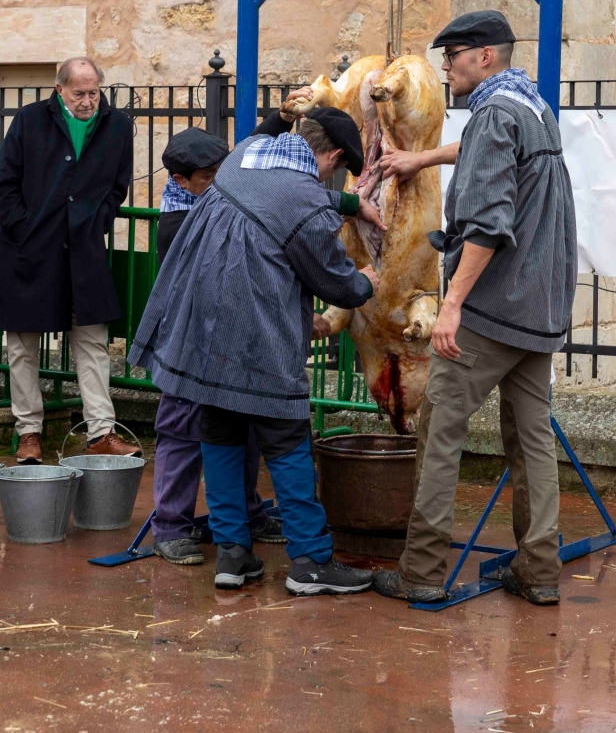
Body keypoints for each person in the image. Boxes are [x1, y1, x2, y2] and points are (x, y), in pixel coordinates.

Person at [129, 107, 385, 595]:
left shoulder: (245, 156)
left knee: (221, 436)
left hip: (200, 333)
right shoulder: (307, 201)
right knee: (288, 445)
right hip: (258, 338)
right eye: (335, 171)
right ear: (332, 157)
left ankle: (232, 556)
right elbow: (337, 284)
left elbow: (278, 198)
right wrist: (366, 281)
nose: (328, 181)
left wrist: (351, 205)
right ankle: (310, 562)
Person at [374, 10, 577, 607]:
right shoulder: (531, 106)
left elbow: (488, 225)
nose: (445, 66)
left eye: (454, 54)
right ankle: (539, 571)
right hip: (540, 309)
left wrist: (452, 305)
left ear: (485, 56)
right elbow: (488, 153)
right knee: (532, 441)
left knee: (440, 434)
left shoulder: (493, 113)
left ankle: (422, 573)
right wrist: (422, 159)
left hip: (492, 311)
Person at [151, 93, 315, 566]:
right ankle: (171, 528)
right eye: (209, 176)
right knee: (183, 433)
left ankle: (246, 516)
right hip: (189, 346)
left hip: (228, 342)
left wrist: (278, 119)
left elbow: (244, 156)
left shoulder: (218, 195)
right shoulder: (180, 223)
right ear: (180, 181)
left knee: (239, 432)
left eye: (221, 170)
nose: (222, 179)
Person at [0, 57, 139, 464]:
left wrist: (99, 219)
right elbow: (5, 182)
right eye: (79, 93)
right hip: (30, 249)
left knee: (93, 341)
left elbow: (118, 186)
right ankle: (29, 433)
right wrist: (23, 225)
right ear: (59, 89)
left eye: (94, 92)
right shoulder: (29, 120)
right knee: (23, 346)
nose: (88, 100)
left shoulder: (118, 126)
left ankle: (101, 431)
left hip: (85, 250)